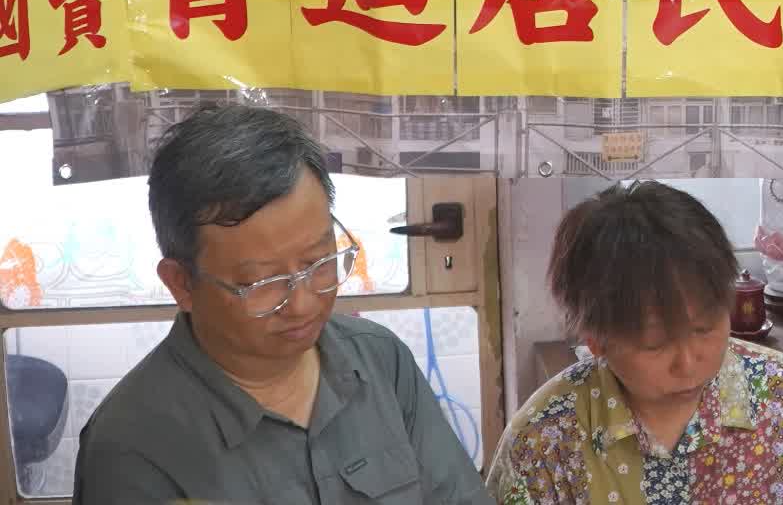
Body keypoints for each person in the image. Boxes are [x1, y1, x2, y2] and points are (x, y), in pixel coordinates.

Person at [74, 104, 489, 503]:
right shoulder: (133, 445)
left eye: (318, 262)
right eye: (262, 283)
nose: (303, 304)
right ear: (181, 283)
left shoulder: (381, 361)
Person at [488, 179, 783, 504]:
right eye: (655, 344)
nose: (688, 363)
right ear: (596, 340)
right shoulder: (543, 442)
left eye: (704, 328)